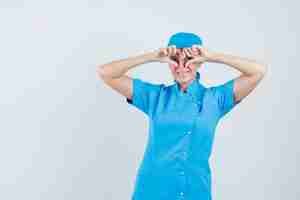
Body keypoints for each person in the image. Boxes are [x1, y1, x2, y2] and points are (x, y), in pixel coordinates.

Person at [96, 32, 267, 200]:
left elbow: (258, 71)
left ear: (200, 63)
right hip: (152, 190)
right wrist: (153, 56)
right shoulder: (155, 97)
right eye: (175, 60)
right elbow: (106, 73)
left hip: (196, 190)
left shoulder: (215, 100)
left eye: (189, 61)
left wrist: (213, 56)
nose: (181, 66)